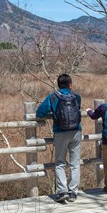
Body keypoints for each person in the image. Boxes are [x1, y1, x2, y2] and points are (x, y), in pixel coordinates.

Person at [36, 74, 82, 203]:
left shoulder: (53, 97)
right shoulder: (77, 97)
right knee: (75, 163)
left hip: (61, 132)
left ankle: (62, 191)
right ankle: (73, 192)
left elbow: (40, 112)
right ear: (70, 85)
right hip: (76, 132)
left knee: (60, 163)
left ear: (58, 84)